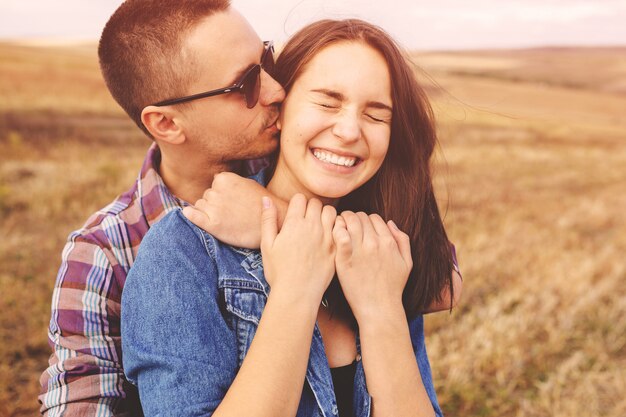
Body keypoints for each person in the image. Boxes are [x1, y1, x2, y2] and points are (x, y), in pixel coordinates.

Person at [122, 18, 461, 417]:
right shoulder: (182, 252)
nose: (350, 129)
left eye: (376, 114)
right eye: (327, 102)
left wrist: (381, 308)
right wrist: (296, 290)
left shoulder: (380, 251)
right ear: (279, 110)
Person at [38, 1, 287, 415]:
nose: (277, 90)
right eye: (246, 84)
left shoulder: (304, 165)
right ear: (167, 124)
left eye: (267, 59)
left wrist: (277, 211)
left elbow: (429, 287)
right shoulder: (104, 253)